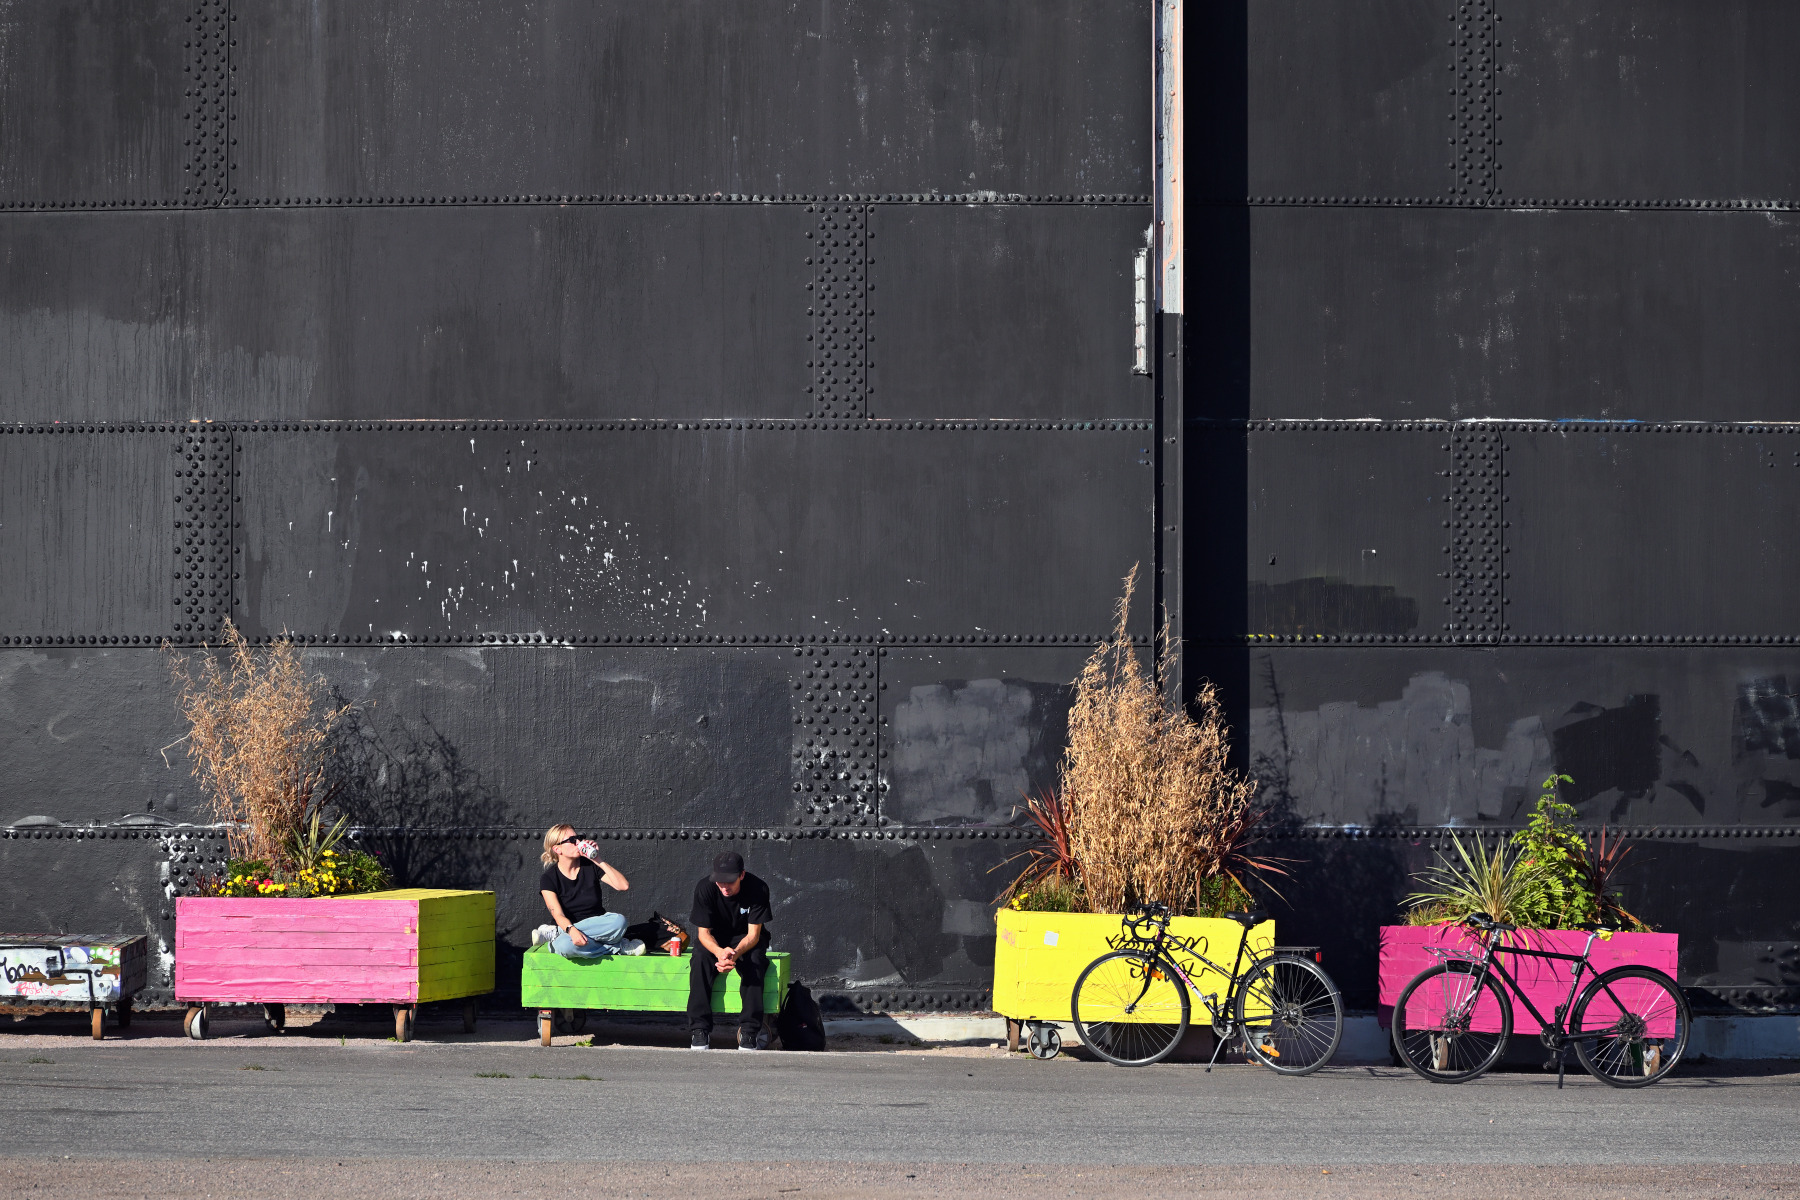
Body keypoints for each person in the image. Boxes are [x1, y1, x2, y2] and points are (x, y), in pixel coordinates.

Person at [688, 850, 774, 1050]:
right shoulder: (705, 888)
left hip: (745, 937)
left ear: (741, 875)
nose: (724, 887)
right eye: (720, 882)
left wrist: (734, 954)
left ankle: (750, 1031)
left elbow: (753, 935)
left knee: (754, 962)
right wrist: (720, 953)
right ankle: (699, 1030)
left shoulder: (758, 888)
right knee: (699, 958)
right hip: (714, 938)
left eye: (730, 881)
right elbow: (703, 934)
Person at [532, 824, 644, 958]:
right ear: (557, 849)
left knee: (619, 921)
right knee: (565, 946)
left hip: (598, 926)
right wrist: (570, 930)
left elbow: (623, 886)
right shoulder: (549, 878)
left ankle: (557, 933)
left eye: (579, 838)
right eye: (572, 840)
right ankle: (617, 947)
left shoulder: (590, 866)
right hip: (570, 930)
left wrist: (597, 859)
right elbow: (558, 915)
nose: (579, 842)